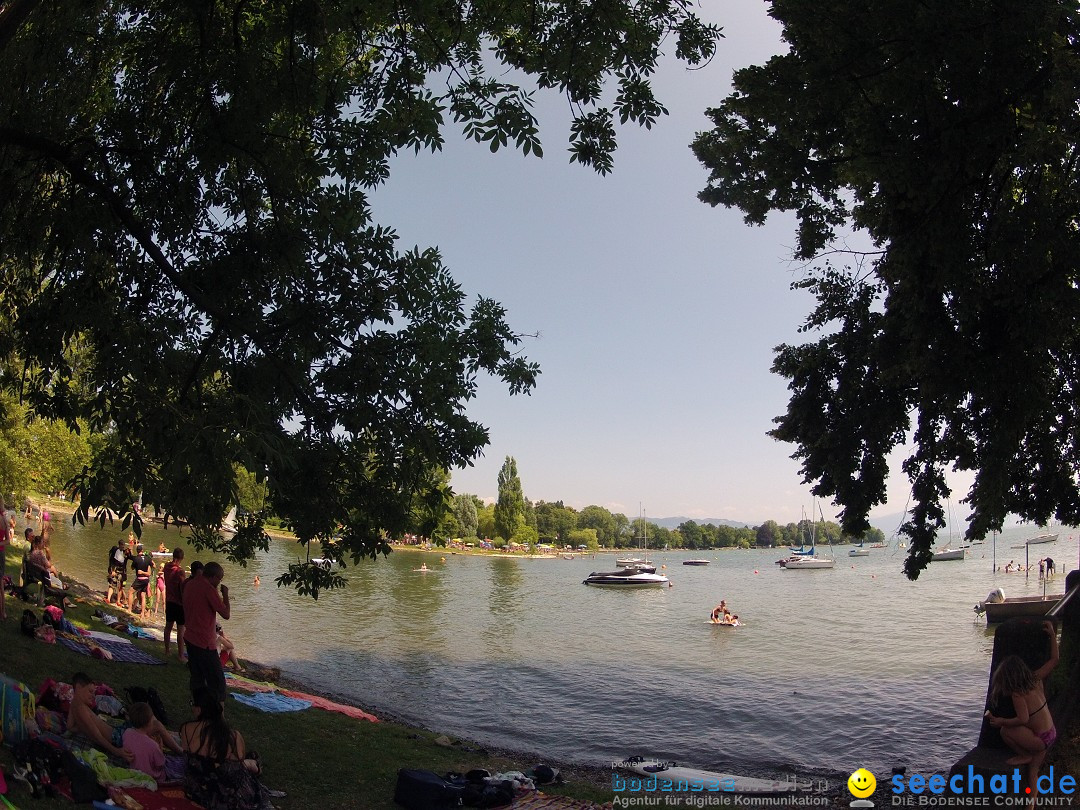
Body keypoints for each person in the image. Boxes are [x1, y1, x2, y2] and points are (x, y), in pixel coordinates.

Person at [985, 621, 1059, 797]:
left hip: (1040, 740)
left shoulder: (1017, 693)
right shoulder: (1035, 678)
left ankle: (1024, 754)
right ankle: (1031, 805)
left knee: (1005, 731)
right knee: (1033, 773)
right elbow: (1055, 660)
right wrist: (1052, 636)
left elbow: (1023, 719)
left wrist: (1001, 721)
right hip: (1051, 733)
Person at [180, 687, 270, 810]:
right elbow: (238, 768)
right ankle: (255, 766)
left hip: (197, 792)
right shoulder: (233, 737)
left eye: (192, 703)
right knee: (248, 761)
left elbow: (187, 755)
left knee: (240, 763)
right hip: (227, 798)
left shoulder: (186, 729)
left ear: (199, 709)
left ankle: (253, 764)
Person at [182, 561, 231, 704]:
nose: (219, 582)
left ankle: (198, 710)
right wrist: (225, 594)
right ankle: (218, 720)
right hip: (204, 643)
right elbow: (226, 614)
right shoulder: (209, 589)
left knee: (197, 679)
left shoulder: (189, 584)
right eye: (219, 579)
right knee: (218, 684)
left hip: (190, 637)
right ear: (214, 577)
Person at [67, 672, 136, 765]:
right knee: (150, 724)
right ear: (79, 687)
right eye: (90, 691)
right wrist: (117, 751)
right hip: (117, 737)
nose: (93, 696)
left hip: (116, 735)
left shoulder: (74, 704)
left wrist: (83, 727)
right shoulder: (81, 708)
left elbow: (70, 726)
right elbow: (98, 736)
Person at [122, 701, 185, 783]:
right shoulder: (153, 745)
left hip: (135, 771)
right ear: (149, 723)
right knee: (181, 764)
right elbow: (160, 764)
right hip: (155, 777)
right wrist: (160, 747)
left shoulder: (127, 733)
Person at [163, 548, 187, 661]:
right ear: (181, 558)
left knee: (168, 627)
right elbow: (183, 587)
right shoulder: (180, 571)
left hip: (169, 599)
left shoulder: (166, 567)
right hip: (178, 602)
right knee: (180, 629)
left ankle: (167, 650)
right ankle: (181, 655)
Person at [129, 543, 154, 616]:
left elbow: (132, 568)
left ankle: (129, 609)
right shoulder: (148, 558)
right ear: (142, 550)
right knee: (143, 595)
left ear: (137, 551)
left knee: (131, 592)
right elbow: (153, 565)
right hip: (146, 580)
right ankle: (142, 613)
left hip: (140, 579)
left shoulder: (136, 558)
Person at [106, 536, 130, 608]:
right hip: (115, 571)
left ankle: (118, 601)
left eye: (123, 546)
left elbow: (128, 558)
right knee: (112, 585)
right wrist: (112, 570)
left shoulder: (124, 552)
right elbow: (113, 562)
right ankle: (108, 598)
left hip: (121, 572)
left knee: (120, 587)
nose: (122, 547)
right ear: (119, 545)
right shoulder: (116, 551)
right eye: (122, 545)